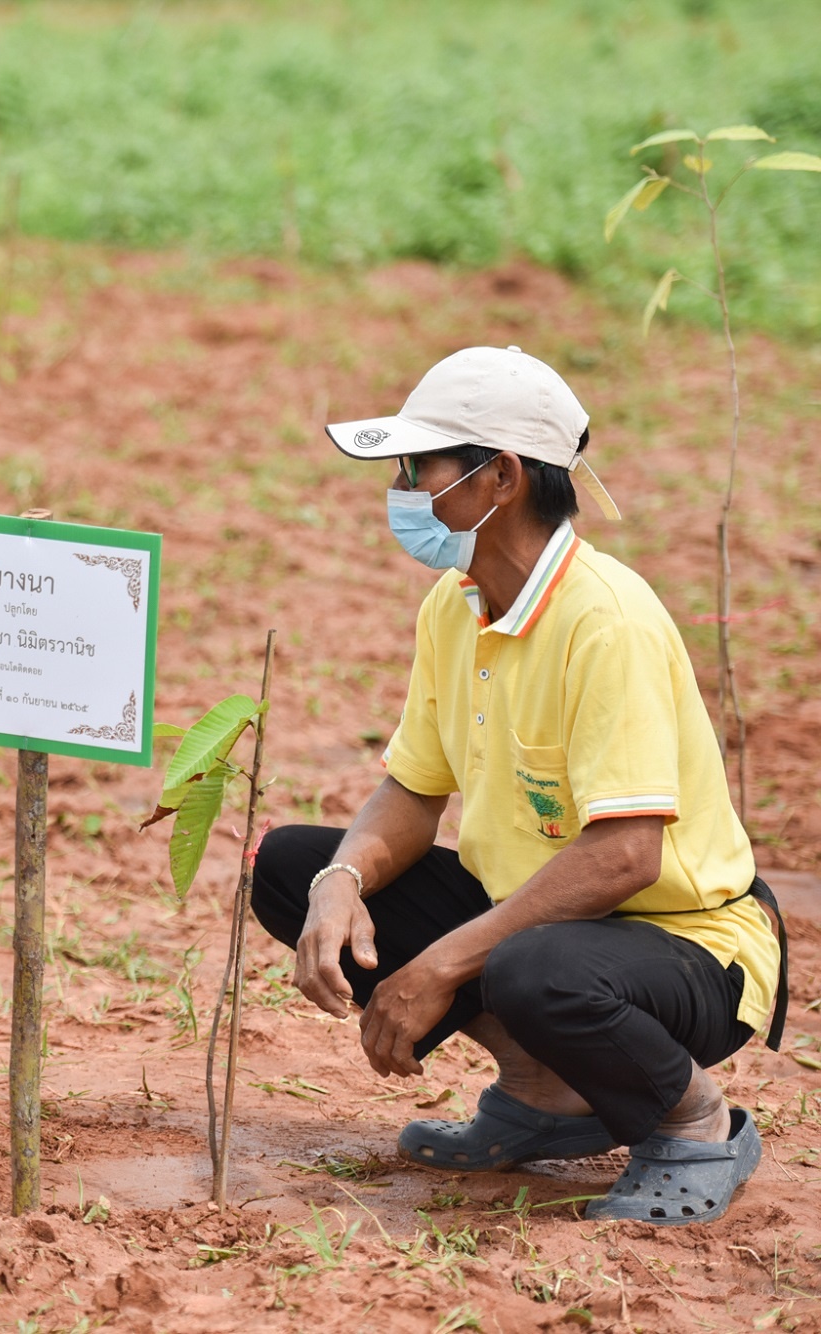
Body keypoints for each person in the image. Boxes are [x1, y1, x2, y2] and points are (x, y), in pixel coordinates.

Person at [252, 346, 787, 1226]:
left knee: (539, 964)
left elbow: (624, 856)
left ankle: (699, 1125)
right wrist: (339, 883)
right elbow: (413, 794)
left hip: (686, 943)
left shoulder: (604, 621)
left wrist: (442, 964)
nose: (403, 487)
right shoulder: (455, 603)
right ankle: (547, 1093)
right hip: (548, 924)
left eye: (418, 466)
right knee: (295, 865)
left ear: (498, 476)